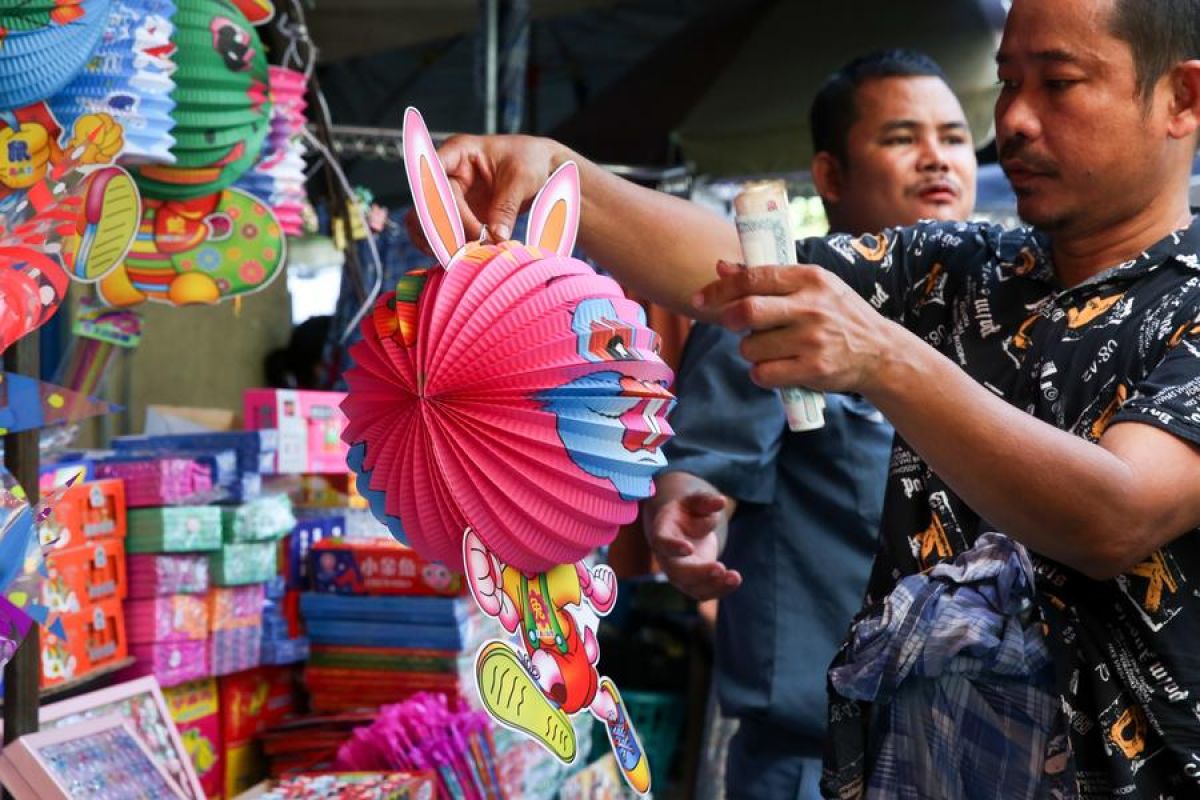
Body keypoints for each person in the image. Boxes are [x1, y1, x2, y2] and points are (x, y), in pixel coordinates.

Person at [425, 0, 1200, 794]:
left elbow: (1115, 516)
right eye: (1007, 83)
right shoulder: (968, 267)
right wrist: (564, 172)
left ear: (1181, 99)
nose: (1017, 121)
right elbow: (739, 268)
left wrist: (885, 359)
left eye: (1060, 83)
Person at [643, 49, 976, 800]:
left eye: (954, 138)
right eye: (901, 138)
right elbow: (705, 471)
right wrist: (688, 514)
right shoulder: (773, 313)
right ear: (829, 178)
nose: (937, 160)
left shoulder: (995, 330)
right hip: (821, 765)